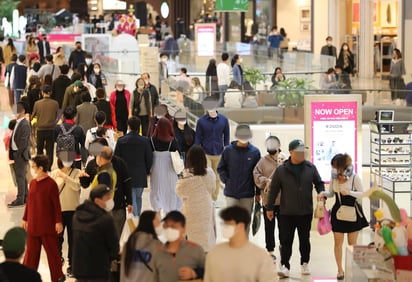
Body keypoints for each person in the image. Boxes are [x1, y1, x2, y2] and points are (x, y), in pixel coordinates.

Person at [266, 139, 325, 278]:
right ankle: (285, 265)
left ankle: (305, 263)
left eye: (303, 150)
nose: (302, 153)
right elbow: (273, 190)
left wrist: (321, 193)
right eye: (298, 150)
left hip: (305, 211)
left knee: (305, 239)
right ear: (291, 152)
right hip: (286, 212)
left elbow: (319, 183)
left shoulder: (311, 168)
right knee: (286, 240)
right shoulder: (281, 170)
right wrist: (269, 208)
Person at [321, 153, 368, 280]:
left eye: (336, 167)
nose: (334, 170)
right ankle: (340, 270)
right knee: (338, 243)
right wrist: (322, 193)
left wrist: (350, 192)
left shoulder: (354, 177)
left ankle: (351, 268)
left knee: (352, 244)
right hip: (338, 213)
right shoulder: (334, 178)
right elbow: (331, 193)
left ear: (342, 166)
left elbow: (362, 194)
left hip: (353, 212)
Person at [204, 206, 277, 282]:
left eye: (228, 224)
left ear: (241, 226)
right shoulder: (214, 253)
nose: (224, 228)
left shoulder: (260, 257)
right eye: (224, 224)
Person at [22, 155, 65, 282]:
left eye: (34, 166)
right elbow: (29, 202)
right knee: (31, 255)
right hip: (33, 226)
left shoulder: (51, 184)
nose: (33, 169)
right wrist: (25, 218)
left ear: (41, 168)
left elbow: (56, 205)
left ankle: (57, 277)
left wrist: (58, 222)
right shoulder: (33, 183)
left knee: (53, 255)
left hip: (47, 226)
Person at [217, 124, 261, 233]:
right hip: (231, 194)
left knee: (245, 223)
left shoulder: (255, 152)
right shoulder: (228, 151)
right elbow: (221, 168)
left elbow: (258, 173)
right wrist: (227, 180)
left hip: (247, 194)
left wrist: (258, 193)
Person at [72, 184, 119, 281]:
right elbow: (114, 248)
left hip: (79, 268)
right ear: (97, 201)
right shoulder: (105, 219)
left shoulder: (77, 215)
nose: (110, 200)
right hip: (98, 270)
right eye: (107, 198)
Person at [176, 145, 216, 252]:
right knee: (206, 233)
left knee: (192, 235)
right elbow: (213, 188)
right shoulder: (209, 173)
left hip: (190, 209)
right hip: (206, 207)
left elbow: (178, 191)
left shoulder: (185, 176)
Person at [115, 116, 153, 216]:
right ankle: (137, 216)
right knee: (138, 197)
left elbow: (116, 158)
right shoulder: (145, 141)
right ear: (139, 127)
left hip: (126, 174)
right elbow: (149, 158)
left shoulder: (121, 141)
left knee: (132, 197)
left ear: (128, 126)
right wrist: (147, 170)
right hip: (140, 173)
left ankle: (136, 218)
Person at [152, 211, 205, 282]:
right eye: (167, 226)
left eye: (173, 227)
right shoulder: (157, 252)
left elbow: (209, 272)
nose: (169, 230)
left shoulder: (196, 249)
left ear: (183, 228)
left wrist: (194, 273)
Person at [50, 158, 81, 278]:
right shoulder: (54, 172)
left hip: (73, 211)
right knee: (57, 240)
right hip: (58, 212)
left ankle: (72, 266)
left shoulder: (77, 172)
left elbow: (77, 187)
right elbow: (52, 191)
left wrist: (65, 177)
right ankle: (58, 264)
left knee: (73, 240)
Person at [195, 97, 230, 201]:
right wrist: (197, 152)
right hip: (206, 152)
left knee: (217, 177)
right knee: (207, 176)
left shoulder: (224, 120)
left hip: (219, 153)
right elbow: (198, 137)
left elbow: (226, 137)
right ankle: (208, 198)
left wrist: (226, 149)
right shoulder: (201, 121)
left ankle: (214, 198)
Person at [253, 135, 281, 261]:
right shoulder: (262, 161)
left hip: (284, 200)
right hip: (268, 200)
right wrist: (266, 181)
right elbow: (256, 175)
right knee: (269, 227)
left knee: (284, 226)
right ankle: (270, 250)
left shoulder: (284, 159)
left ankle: (283, 246)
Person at [150, 117, 182, 212]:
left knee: (156, 190)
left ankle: (157, 211)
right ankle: (170, 212)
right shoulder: (172, 141)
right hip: (170, 168)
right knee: (171, 191)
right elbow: (178, 155)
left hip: (156, 168)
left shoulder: (151, 140)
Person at [120, 211, 162, 282]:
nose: (160, 224)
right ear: (151, 223)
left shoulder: (129, 244)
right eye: (158, 221)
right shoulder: (156, 245)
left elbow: (123, 272)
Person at [8, 102, 31, 207]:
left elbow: (23, 141)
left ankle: (20, 198)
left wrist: (17, 153)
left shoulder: (25, 124)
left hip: (20, 155)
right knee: (22, 176)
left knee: (20, 177)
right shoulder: (18, 122)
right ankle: (25, 196)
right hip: (17, 153)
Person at [32, 84, 59, 170]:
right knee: (50, 149)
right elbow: (56, 116)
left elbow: (33, 116)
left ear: (42, 93)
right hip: (51, 129)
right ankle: (48, 167)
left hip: (40, 129)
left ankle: (40, 166)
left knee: (39, 149)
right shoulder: (55, 103)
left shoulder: (37, 103)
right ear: (50, 93)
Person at [3, 119, 18, 187]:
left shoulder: (7, 134)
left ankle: (16, 184)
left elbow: (6, 145)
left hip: (10, 155)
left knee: (13, 171)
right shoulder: (19, 133)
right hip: (19, 155)